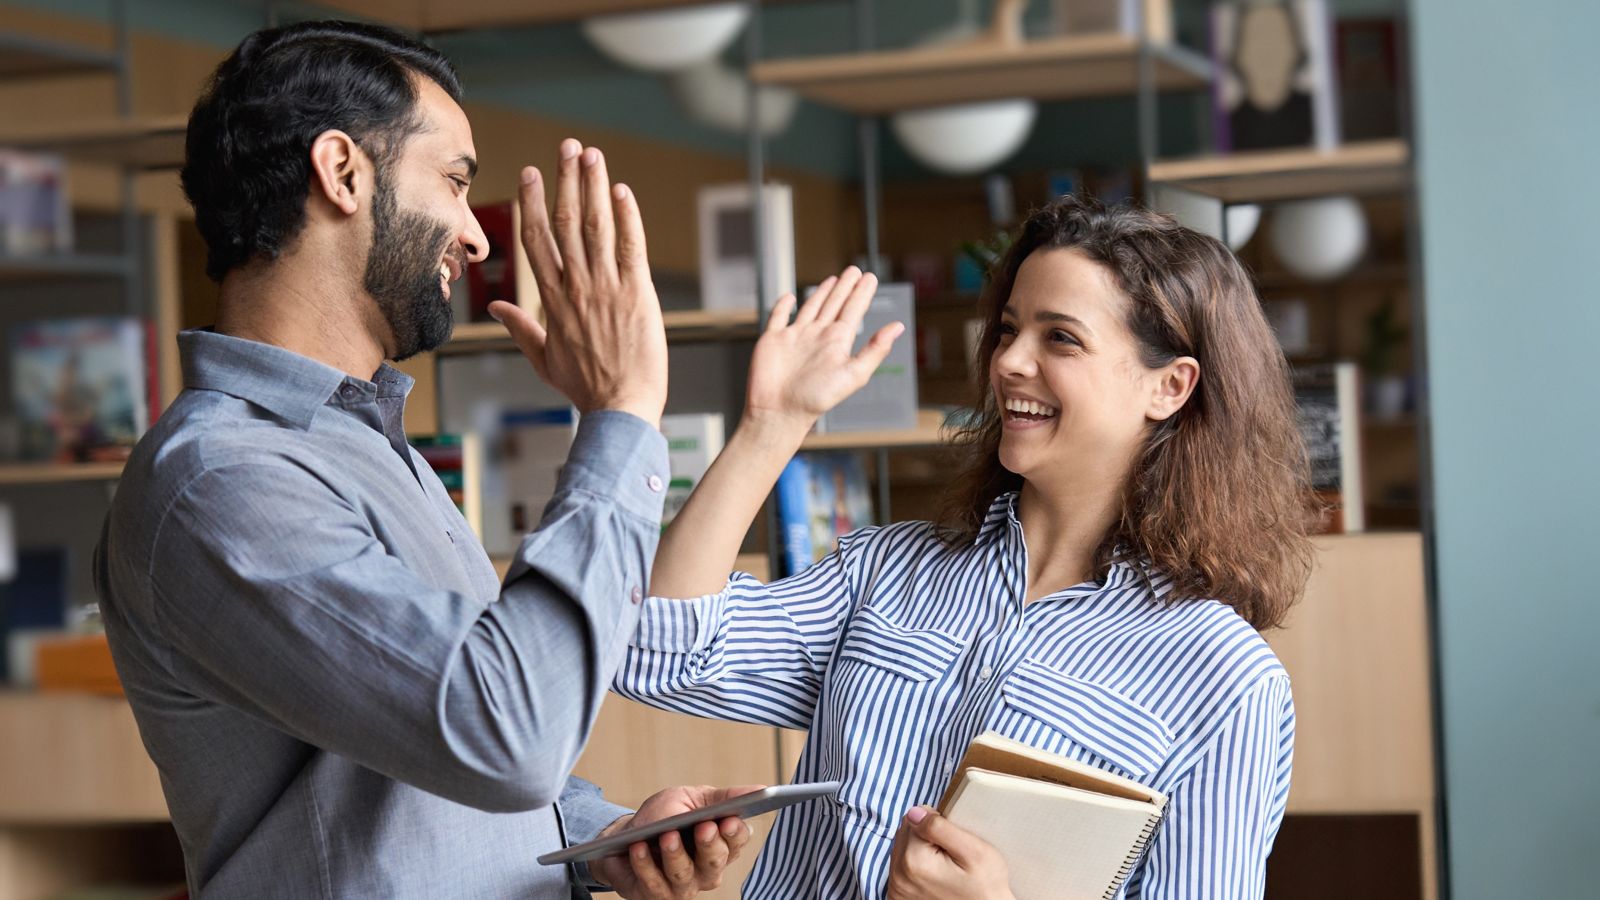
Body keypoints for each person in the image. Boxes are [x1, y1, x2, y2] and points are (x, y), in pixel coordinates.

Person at [94, 21, 754, 899]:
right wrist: (622, 414)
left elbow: (429, 747)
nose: (476, 237)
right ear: (342, 173)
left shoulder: (364, 441)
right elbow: (506, 734)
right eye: (454, 181)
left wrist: (603, 838)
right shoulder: (221, 481)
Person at [549, 196, 1315, 898]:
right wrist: (772, 425)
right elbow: (655, 651)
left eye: (1061, 338)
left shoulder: (1226, 681)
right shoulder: (885, 570)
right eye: (1009, 329)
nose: (1008, 362)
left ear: (1170, 387)